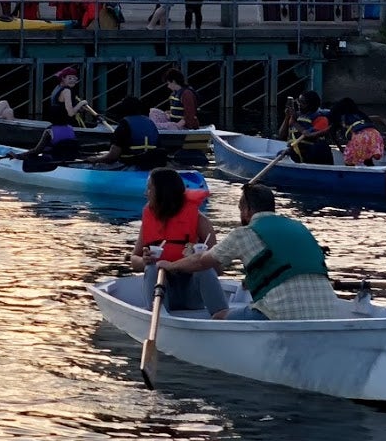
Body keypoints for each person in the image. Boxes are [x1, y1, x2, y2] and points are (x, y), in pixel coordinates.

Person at [159, 182, 343, 321]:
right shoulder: (299, 228)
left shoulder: (245, 233)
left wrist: (171, 265)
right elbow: (284, 264)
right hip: (328, 311)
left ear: (247, 210)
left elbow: (201, 261)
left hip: (280, 314)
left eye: (240, 210)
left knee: (219, 318)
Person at [130, 167, 227, 316]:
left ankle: (222, 316)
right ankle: (157, 314)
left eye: (150, 189)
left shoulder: (200, 221)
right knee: (151, 268)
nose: (145, 194)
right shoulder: (150, 219)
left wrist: (199, 258)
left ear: (163, 193)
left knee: (206, 267)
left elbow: (219, 269)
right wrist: (144, 260)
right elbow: (133, 259)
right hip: (163, 292)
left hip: (192, 293)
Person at [99, 96, 166, 171]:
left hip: (130, 165)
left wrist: (95, 159)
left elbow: (112, 157)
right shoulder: (150, 122)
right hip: (152, 165)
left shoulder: (124, 125)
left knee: (89, 165)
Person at [328, 97, 386, 167]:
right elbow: (380, 119)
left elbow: (333, 135)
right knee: (367, 157)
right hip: (375, 135)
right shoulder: (360, 116)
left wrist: (340, 148)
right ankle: (371, 168)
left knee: (349, 160)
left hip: (360, 138)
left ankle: (351, 175)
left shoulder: (341, 120)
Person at [277, 89, 334, 164]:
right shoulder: (296, 115)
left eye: (302, 103)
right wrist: (287, 117)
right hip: (295, 153)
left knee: (320, 147)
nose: (299, 104)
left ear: (311, 105)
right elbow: (281, 136)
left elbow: (309, 135)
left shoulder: (321, 119)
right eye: (298, 101)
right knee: (279, 154)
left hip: (311, 155)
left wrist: (294, 122)